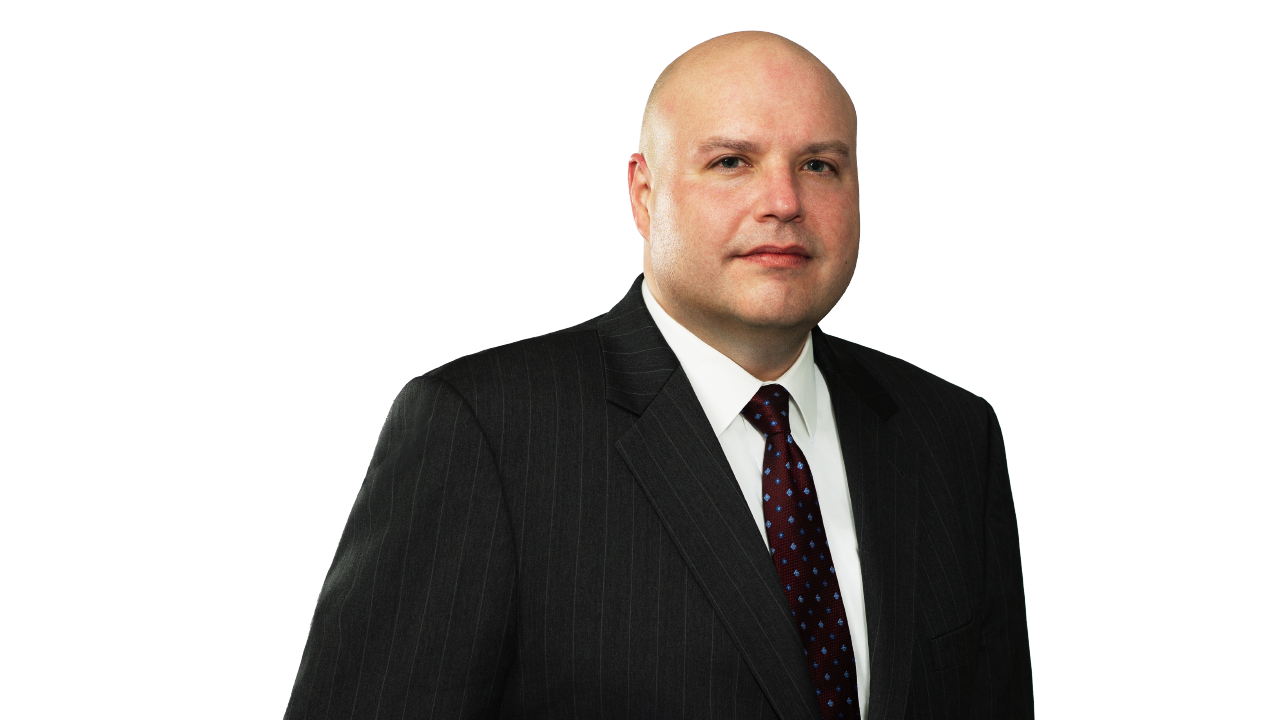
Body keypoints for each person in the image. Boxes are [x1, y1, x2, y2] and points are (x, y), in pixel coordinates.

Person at [283, 30, 1032, 720]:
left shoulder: (952, 435)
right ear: (644, 194)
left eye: (819, 166)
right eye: (732, 162)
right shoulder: (485, 432)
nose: (784, 202)